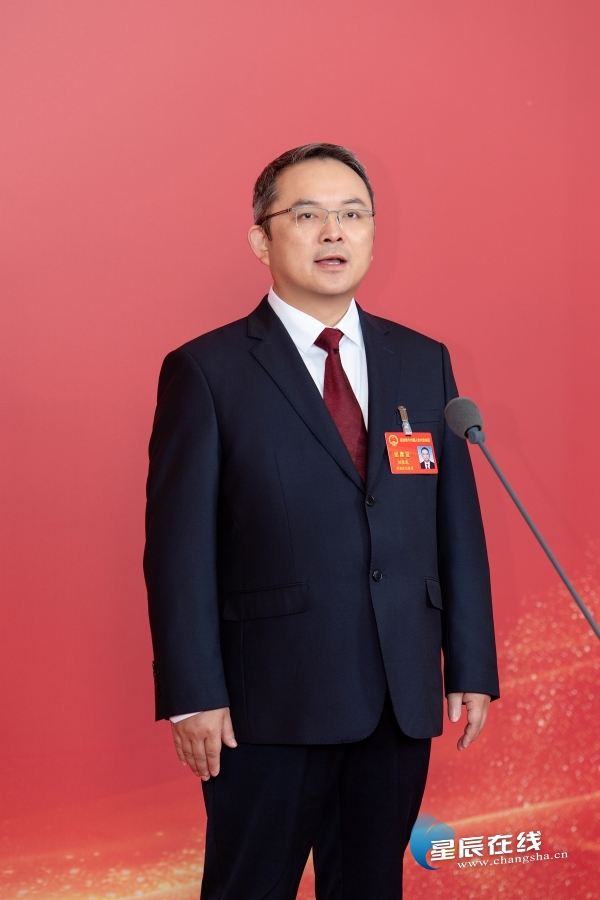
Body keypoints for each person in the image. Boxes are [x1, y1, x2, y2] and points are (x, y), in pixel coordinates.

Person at [144, 143, 499, 900]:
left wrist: (470, 663)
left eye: (352, 215)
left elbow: (455, 526)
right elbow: (178, 551)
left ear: (373, 232)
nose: (334, 232)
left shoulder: (423, 361)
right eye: (307, 215)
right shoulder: (207, 371)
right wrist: (193, 692)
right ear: (261, 239)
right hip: (266, 705)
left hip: (397, 696)